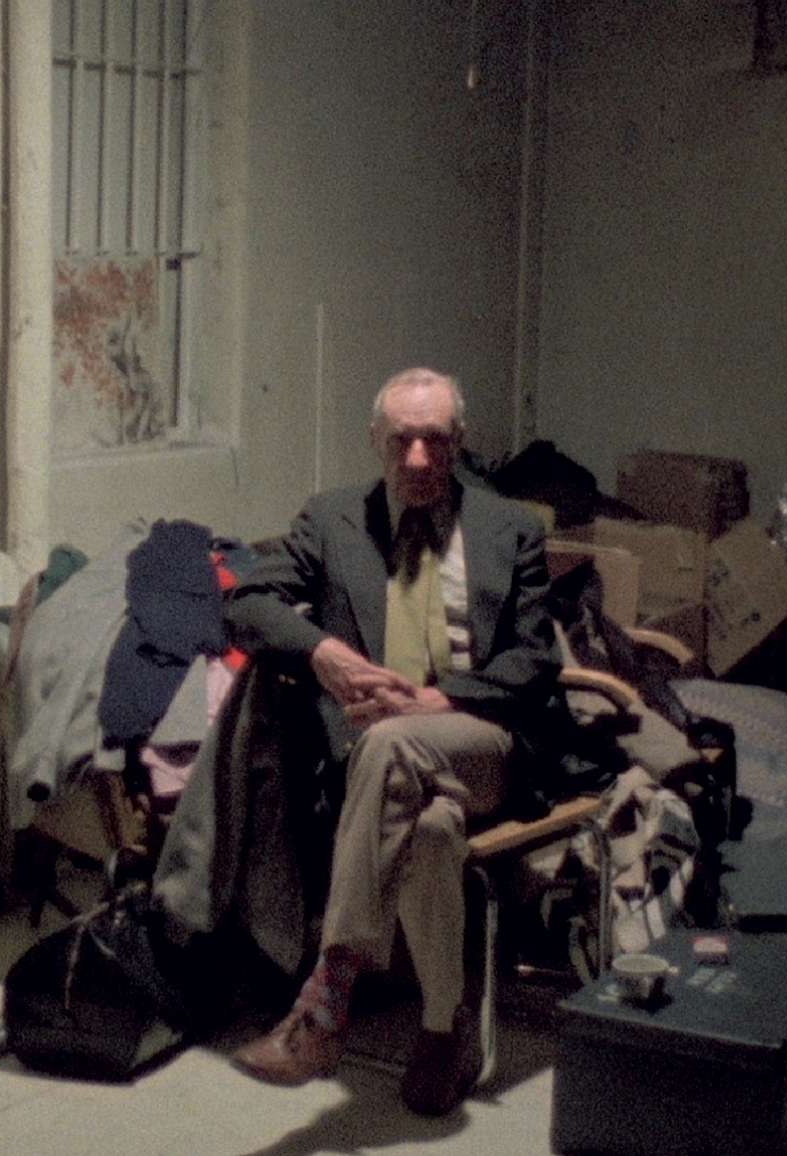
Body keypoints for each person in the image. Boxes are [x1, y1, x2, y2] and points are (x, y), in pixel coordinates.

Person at [220, 366, 560, 1115]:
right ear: (375, 440)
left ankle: (327, 996)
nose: (417, 458)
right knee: (430, 827)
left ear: (459, 442)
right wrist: (322, 651)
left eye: (434, 440)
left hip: (480, 742)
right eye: (401, 440)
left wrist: (441, 697)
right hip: (377, 761)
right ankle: (444, 1030)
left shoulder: (510, 528)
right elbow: (246, 604)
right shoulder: (332, 518)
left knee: (393, 744)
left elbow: (536, 660)